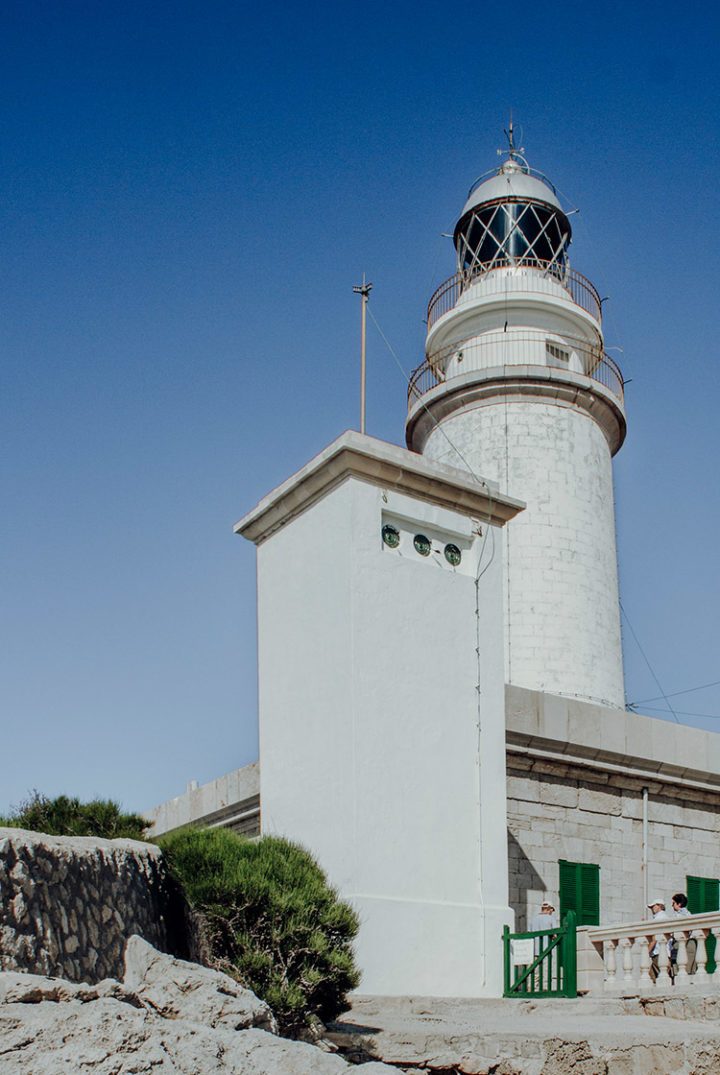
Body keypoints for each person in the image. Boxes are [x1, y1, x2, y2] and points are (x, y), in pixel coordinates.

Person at [671, 892, 696, 975]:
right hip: (687, 943)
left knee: (682, 969)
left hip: (683, 943)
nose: (672, 905)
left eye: (673, 903)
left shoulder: (681, 915)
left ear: (679, 904)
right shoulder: (688, 914)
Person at [647, 897, 671, 982]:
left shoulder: (658, 919)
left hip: (658, 953)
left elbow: (654, 938)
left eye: (653, 906)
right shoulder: (666, 917)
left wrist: (646, 951)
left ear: (659, 906)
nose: (652, 909)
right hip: (666, 953)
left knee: (655, 979)